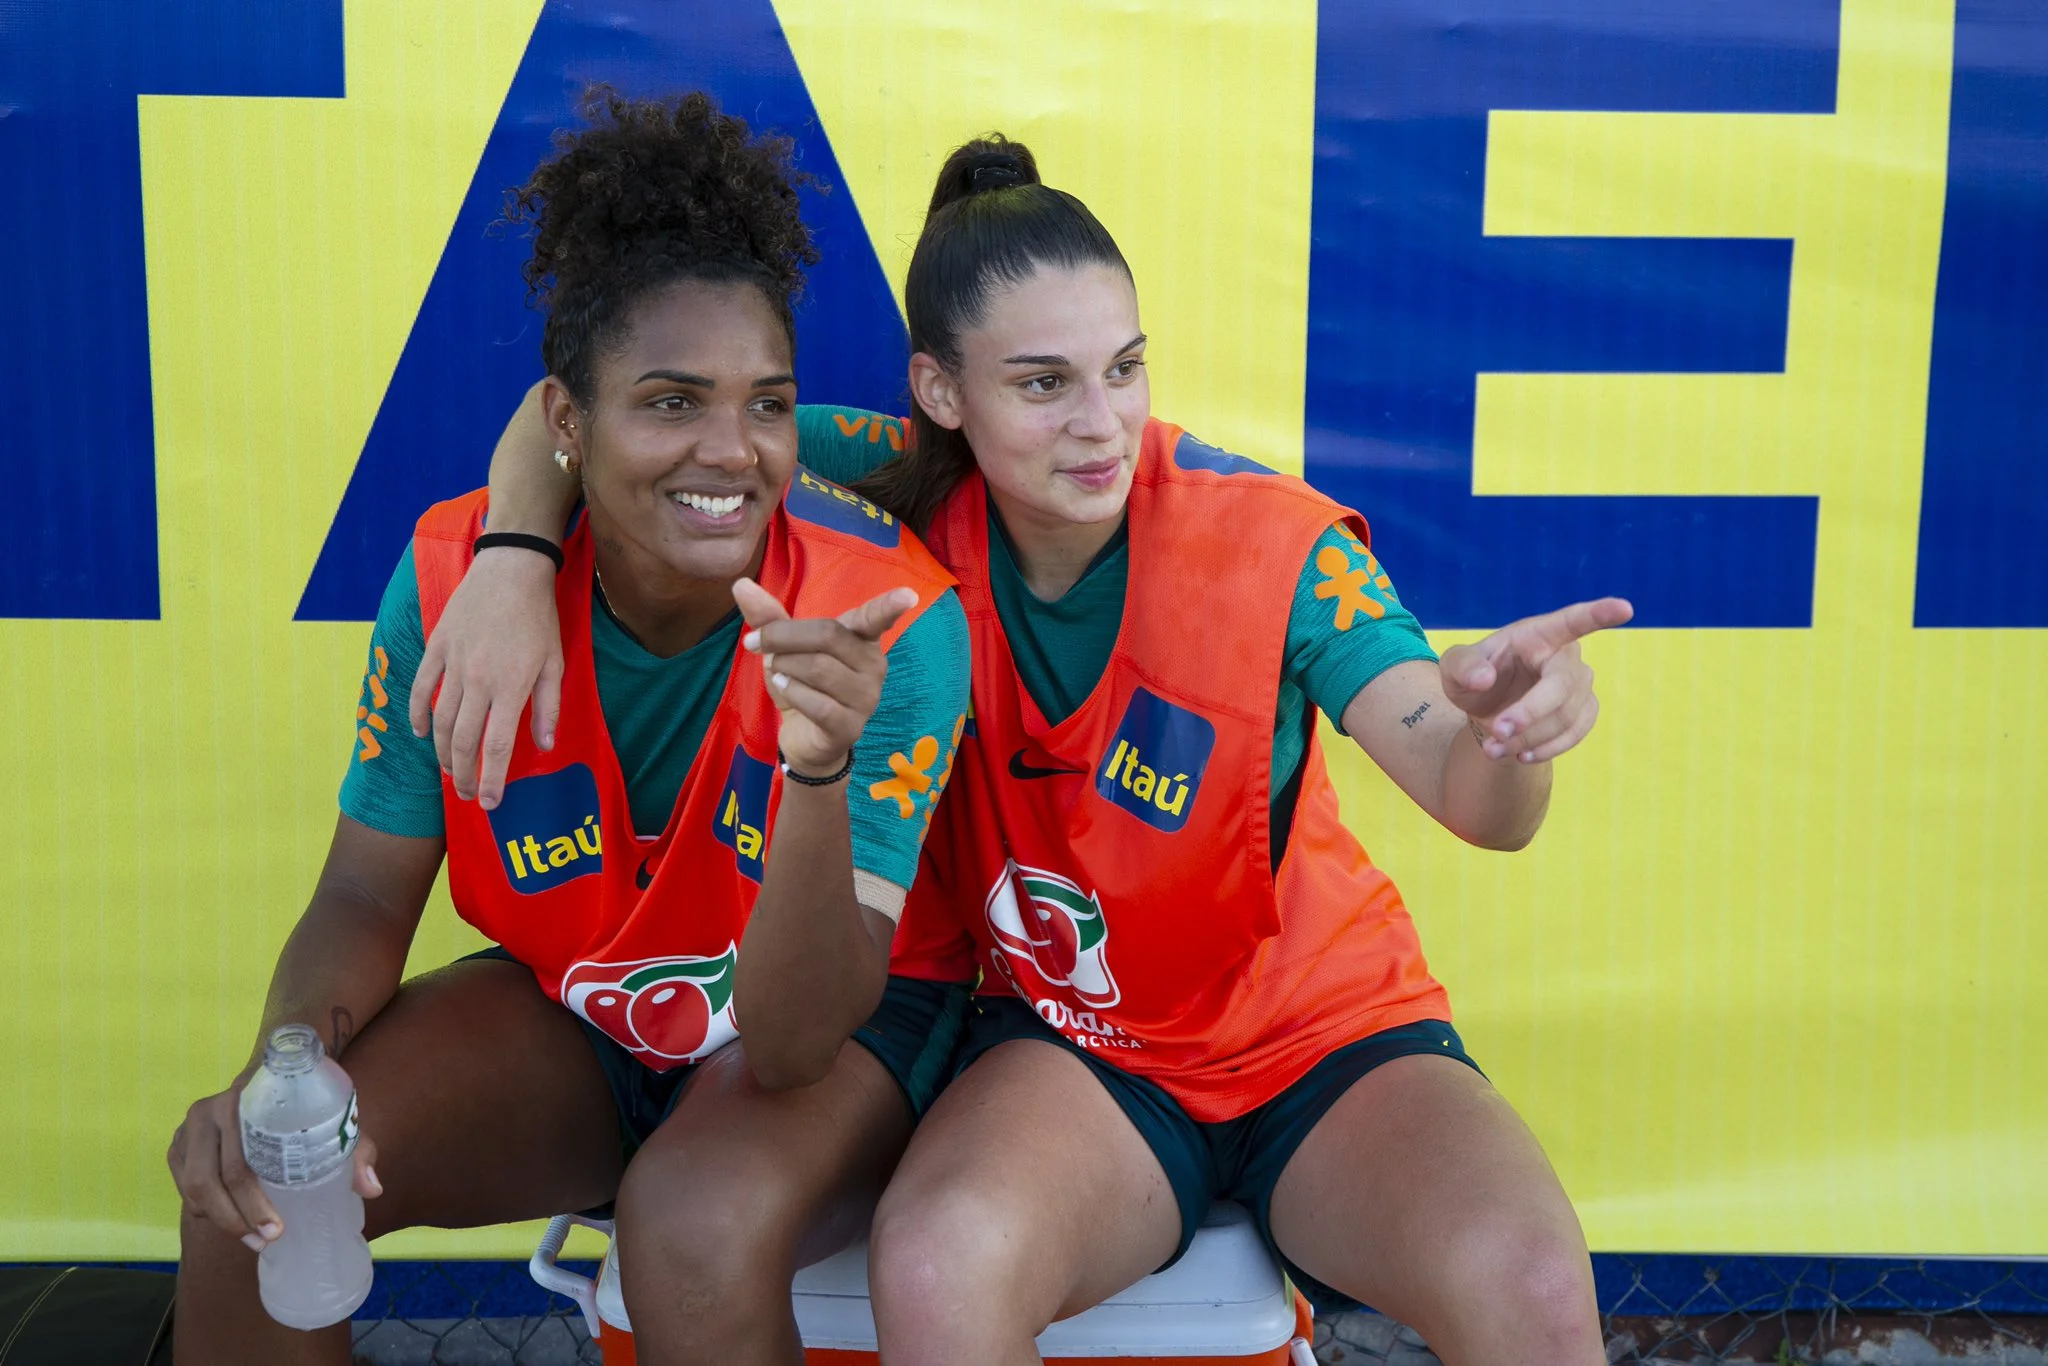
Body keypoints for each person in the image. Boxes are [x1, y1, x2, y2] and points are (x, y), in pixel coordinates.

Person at [438, 136, 1631, 1366]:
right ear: (943, 393)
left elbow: (1472, 796)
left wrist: (1506, 731)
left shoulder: (1270, 541)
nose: (1100, 423)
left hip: (1322, 1041)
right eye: (1043, 383)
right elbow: (568, 429)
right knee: (941, 1263)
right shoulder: (899, 483)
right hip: (1078, 1051)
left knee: (1533, 1282)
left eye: (1124, 370)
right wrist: (515, 553)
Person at [164, 90, 971, 1366]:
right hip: (589, 1008)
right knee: (250, 1202)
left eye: (767, 403)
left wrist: (815, 773)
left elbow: (797, 1034)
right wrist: (285, 1084)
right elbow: (366, 897)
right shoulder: (454, 586)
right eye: (668, 402)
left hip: (828, 1034)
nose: (731, 448)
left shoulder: (888, 621)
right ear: (562, 425)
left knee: (690, 1228)